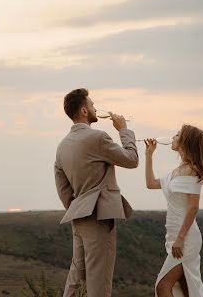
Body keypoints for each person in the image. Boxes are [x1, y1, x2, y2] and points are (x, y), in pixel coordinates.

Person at [54, 88, 139, 297]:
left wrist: (77, 207)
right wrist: (124, 130)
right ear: (84, 111)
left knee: (76, 278)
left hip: (78, 217)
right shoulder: (98, 138)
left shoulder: (62, 147)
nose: (95, 108)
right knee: (98, 281)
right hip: (99, 217)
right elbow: (131, 160)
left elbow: (63, 188)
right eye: (92, 105)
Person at [144, 124, 203, 297]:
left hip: (185, 238)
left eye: (177, 135)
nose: (173, 137)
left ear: (185, 141)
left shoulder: (192, 170)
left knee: (162, 286)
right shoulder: (177, 171)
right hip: (174, 235)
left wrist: (180, 239)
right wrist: (149, 155)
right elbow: (151, 184)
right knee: (183, 289)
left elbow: (193, 207)